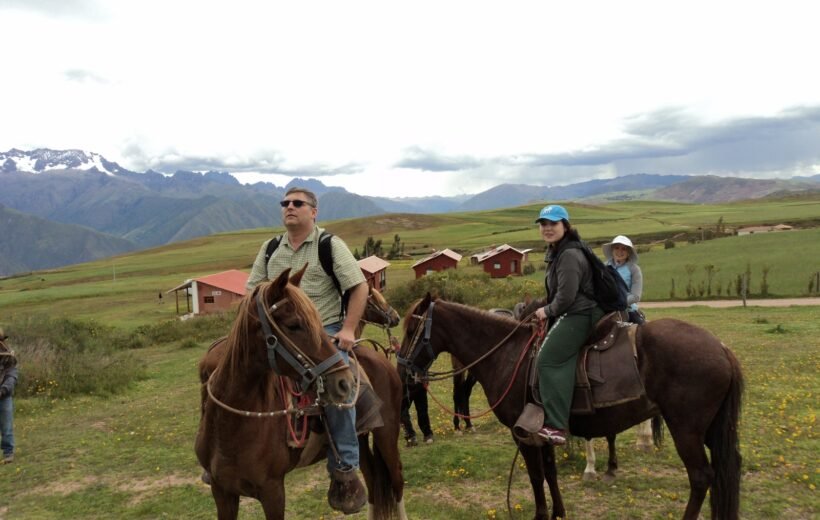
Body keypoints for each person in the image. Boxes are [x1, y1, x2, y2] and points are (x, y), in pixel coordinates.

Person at [246, 187, 369, 514]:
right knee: (217, 367)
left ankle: (344, 469)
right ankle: (217, 453)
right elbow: (251, 290)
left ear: (313, 212)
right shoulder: (271, 248)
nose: (289, 207)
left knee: (338, 388)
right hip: (278, 332)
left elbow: (359, 286)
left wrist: (347, 330)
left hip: (322, 331)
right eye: (285, 203)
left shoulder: (329, 245)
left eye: (297, 203)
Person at [533, 205, 605, 445]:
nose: (547, 228)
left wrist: (546, 311)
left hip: (580, 314)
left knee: (548, 360)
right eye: (543, 224)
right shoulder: (559, 251)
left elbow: (565, 298)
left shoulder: (569, 255)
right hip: (576, 310)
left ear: (565, 225)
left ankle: (556, 426)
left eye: (553, 223)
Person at [393, 335, 434, 446]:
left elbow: (403, 358)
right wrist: (396, 348)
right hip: (411, 383)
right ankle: (424, 434)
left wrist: (396, 347)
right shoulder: (420, 347)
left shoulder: (413, 348)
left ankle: (415, 436)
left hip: (411, 383)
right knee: (417, 409)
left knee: (406, 410)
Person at [602, 235, 645, 324]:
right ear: (612, 250)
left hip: (628, 310)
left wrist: (617, 303)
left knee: (642, 332)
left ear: (629, 252)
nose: (620, 251)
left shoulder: (634, 269)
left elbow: (636, 296)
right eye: (617, 248)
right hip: (604, 308)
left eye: (624, 249)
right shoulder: (603, 267)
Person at [0, 328, 18, 464]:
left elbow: (12, 375)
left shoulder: (7, 355)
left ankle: (8, 452)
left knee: (6, 425)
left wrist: (3, 390)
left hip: (4, 395)